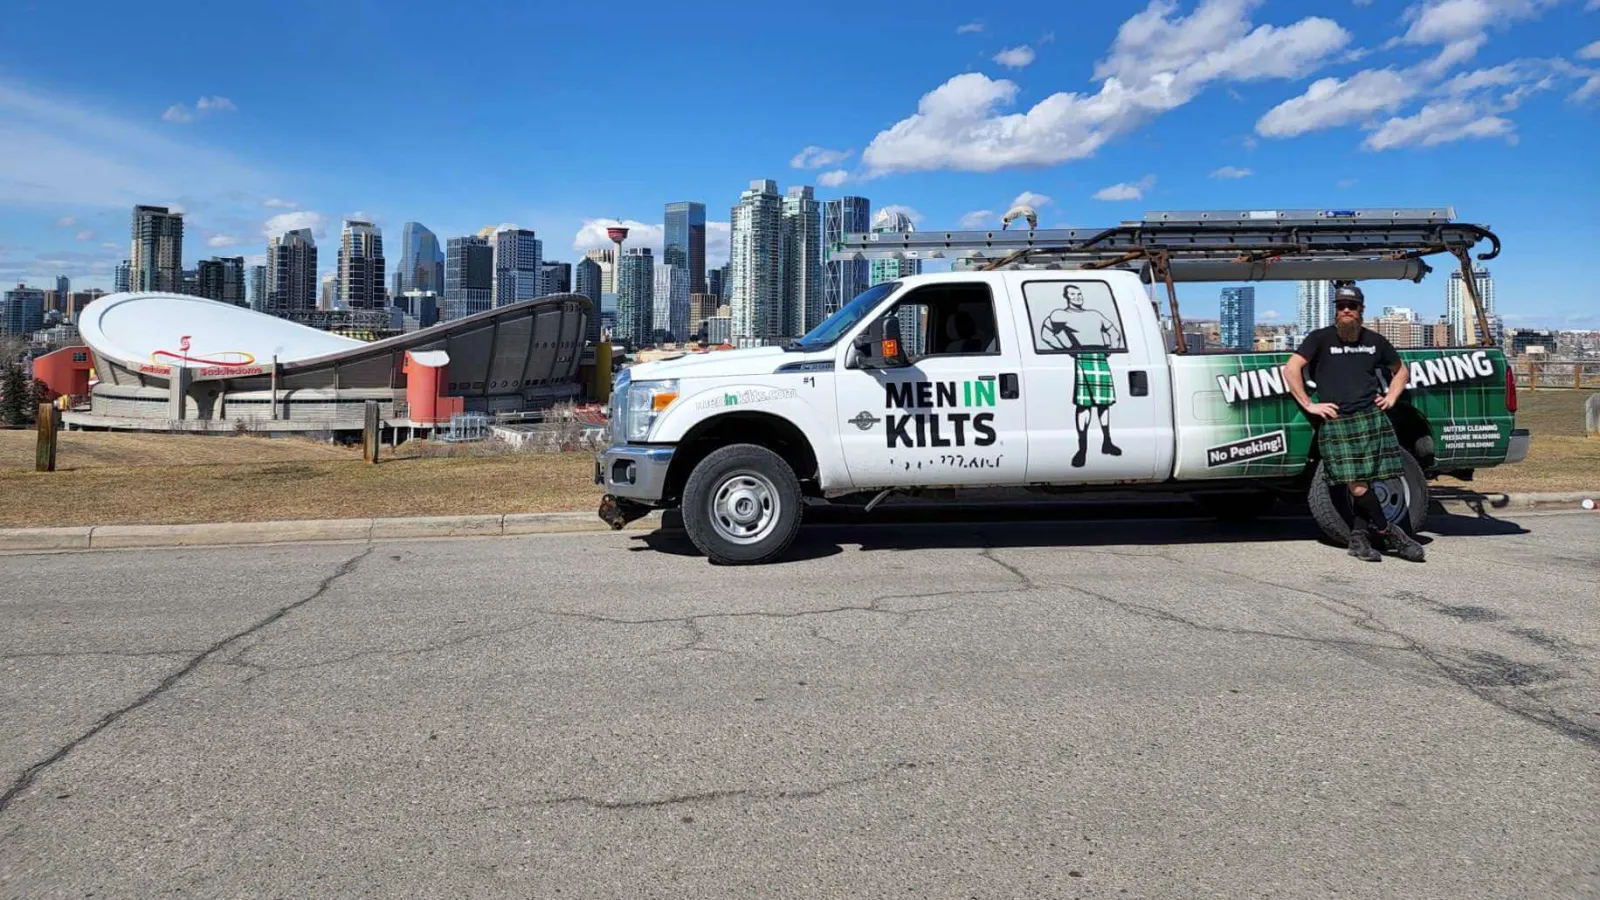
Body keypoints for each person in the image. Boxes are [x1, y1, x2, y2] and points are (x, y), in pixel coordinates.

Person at [1284, 284, 1426, 563]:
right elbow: (1291, 369)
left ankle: (1359, 540)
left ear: (1361, 309)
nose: (1345, 310)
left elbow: (1401, 371)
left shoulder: (1375, 341)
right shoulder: (1320, 338)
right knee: (1357, 486)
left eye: (1351, 306)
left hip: (1370, 417)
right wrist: (1309, 404)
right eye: (1340, 306)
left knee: (1368, 482)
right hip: (1339, 420)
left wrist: (1392, 396)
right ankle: (1390, 533)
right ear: (1336, 310)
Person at [1037, 284, 1123, 467]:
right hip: (1082, 355)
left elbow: (1114, 331)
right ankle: (1082, 449)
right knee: (1084, 405)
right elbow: (1046, 334)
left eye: (1079, 294)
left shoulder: (1094, 314)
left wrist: (1112, 348)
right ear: (1066, 297)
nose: (1077, 297)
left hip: (1100, 356)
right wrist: (1067, 348)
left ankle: (1107, 442)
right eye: (1073, 294)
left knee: (1104, 402)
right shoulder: (1060, 314)